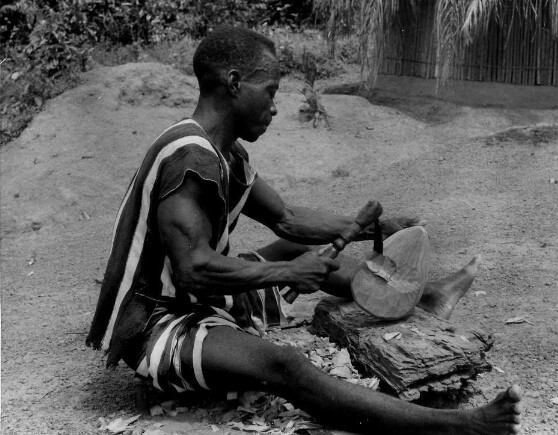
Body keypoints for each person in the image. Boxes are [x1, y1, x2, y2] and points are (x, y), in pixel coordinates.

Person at [87, 26, 522, 434]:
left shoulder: (225, 154)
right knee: (284, 366)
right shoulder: (190, 158)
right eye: (271, 91)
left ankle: (423, 297)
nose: (275, 106)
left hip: (194, 297)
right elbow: (192, 270)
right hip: (158, 323)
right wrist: (288, 275)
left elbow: (287, 219)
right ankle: (461, 427)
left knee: (294, 246)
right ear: (235, 82)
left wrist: (366, 225)